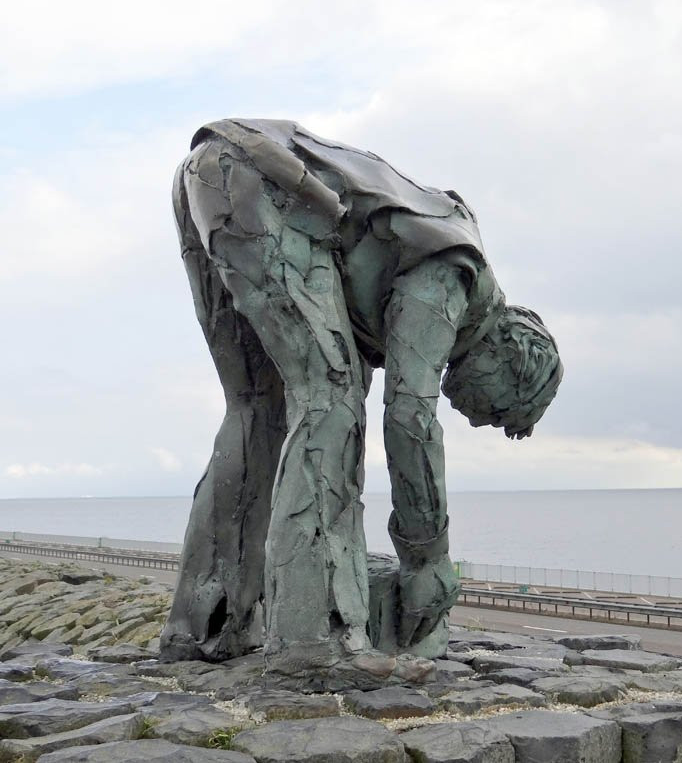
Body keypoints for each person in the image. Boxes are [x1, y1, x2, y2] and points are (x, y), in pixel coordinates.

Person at [159, 119, 562, 689]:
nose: (479, 418)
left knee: (259, 407)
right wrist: (426, 559)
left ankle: (206, 626)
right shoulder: (457, 275)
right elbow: (410, 419)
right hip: (267, 180)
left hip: (211, 170)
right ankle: (313, 644)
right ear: (513, 360)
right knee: (330, 396)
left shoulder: (413, 273)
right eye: (500, 412)